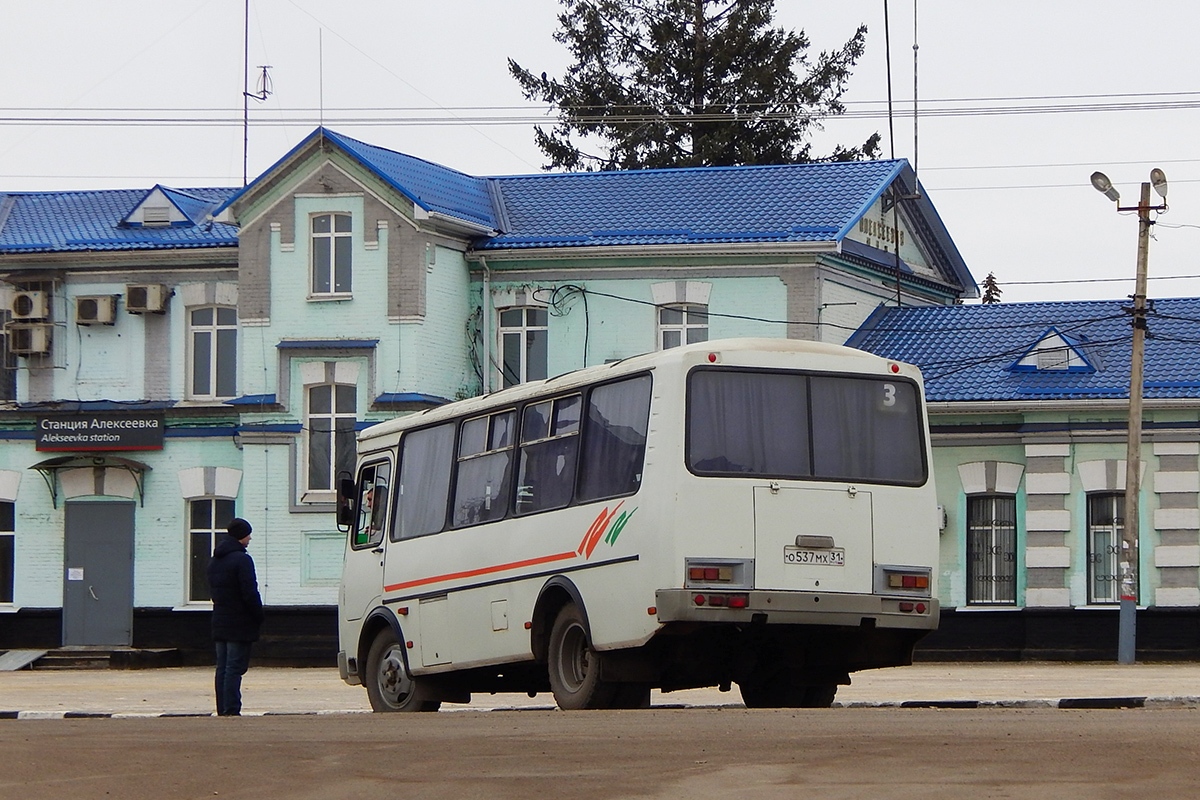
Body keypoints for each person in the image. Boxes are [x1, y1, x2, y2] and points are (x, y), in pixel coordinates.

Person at [207, 517, 265, 716]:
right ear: (241, 536)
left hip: (220, 620)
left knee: (222, 667)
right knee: (234, 667)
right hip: (239, 623)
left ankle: (223, 708)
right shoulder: (242, 560)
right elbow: (250, 592)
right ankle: (232, 708)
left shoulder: (215, 560)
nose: (250, 539)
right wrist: (258, 614)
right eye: (248, 534)